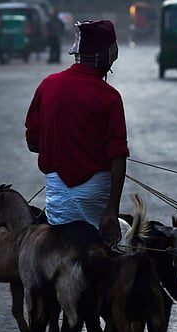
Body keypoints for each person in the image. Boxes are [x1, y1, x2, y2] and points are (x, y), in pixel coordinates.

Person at [25, 20, 129, 246]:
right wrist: (112, 211)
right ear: (107, 59)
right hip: (96, 194)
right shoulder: (109, 97)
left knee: (60, 251)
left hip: (57, 195)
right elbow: (118, 157)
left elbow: (33, 143)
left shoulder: (47, 85)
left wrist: (60, 144)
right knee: (100, 254)